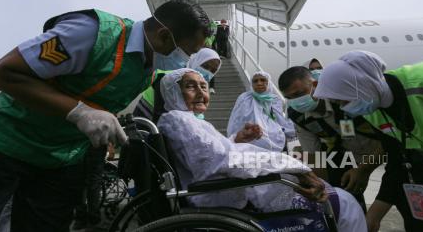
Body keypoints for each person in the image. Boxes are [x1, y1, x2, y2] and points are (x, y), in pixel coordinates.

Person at [0, 0, 211, 231]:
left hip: (59, 159)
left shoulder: (148, 67)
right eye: (186, 53)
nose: (186, 61)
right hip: (0, 145)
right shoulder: (90, 33)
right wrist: (79, 112)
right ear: (164, 36)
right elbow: (2, 73)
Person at [157, 69, 367, 231]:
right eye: (191, 86)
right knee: (345, 204)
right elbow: (227, 160)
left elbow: (211, 153)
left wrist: (236, 139)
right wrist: (295, 167)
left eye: (204, 86)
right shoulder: (179, 119)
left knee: (339, 196)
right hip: (229, 191)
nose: (201, 92)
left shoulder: (187, 120)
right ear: (173, 91)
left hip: (230, 184)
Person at [313, 50, 423, 231]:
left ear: (360, 84)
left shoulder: (422, 83)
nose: (344, 108)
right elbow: (396, 159)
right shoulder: (374, 109)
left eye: (344, 100)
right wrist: (374, 216)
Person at [278, 66, 384, 212]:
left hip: (384, 148)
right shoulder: (298, 116)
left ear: (315, 85)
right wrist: (322, 188)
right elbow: (314, 156)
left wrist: (363, 170)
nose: (296, 101)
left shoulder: (344, 99)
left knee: (396, 192)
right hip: (347, 154)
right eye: (289, 98)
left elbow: (390, 139)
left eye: (299, 94)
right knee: (344, 193)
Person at [135, 47, 221, 120]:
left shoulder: (201, 88)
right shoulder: (168, 78)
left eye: (213, 71)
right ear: (195, 60)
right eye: (205, 66)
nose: (208, 72)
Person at [227, 71, 295, 152]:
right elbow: (236, 120)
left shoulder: (275, 99)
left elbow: (279, 119)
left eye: (263, 80)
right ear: (251, 84)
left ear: (268, 82)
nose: (259, 83)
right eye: (255, 81)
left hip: (273, 135)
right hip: (250, 136)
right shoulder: (244, 98)